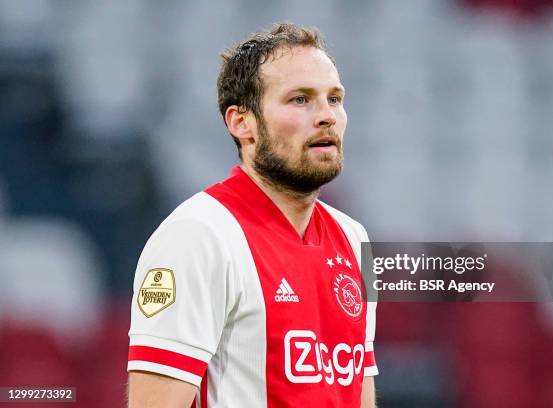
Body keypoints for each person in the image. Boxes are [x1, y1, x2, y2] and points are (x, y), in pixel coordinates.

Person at [127, 22, 378, 408]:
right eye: (300, 99)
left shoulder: (354, 238)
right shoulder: (198, 236)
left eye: (334, 98)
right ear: (242, 123)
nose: (327, 115)